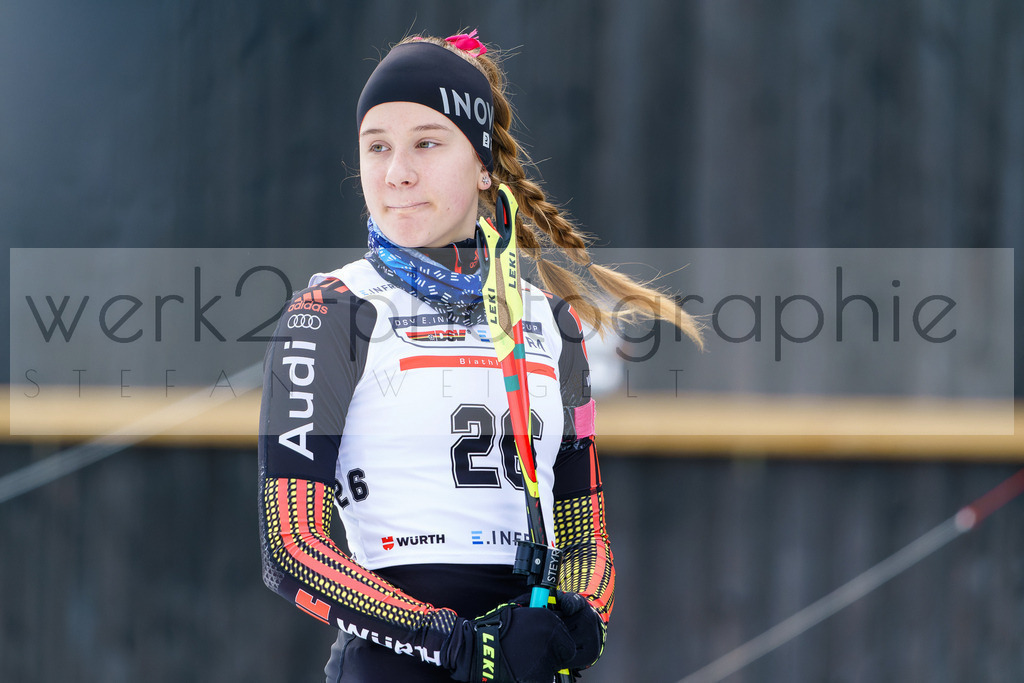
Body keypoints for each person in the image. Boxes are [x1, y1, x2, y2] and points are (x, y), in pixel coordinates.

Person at [258, 29, 702, 683]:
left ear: (484, 164)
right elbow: (291, 546)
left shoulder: (553, 325)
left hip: (521, 662)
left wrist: (581, 618)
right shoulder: (331, 312)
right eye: (376, 146)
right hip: (398, 663)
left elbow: (584, 530)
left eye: (426, 143)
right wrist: (459, 644)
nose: (396, 172)